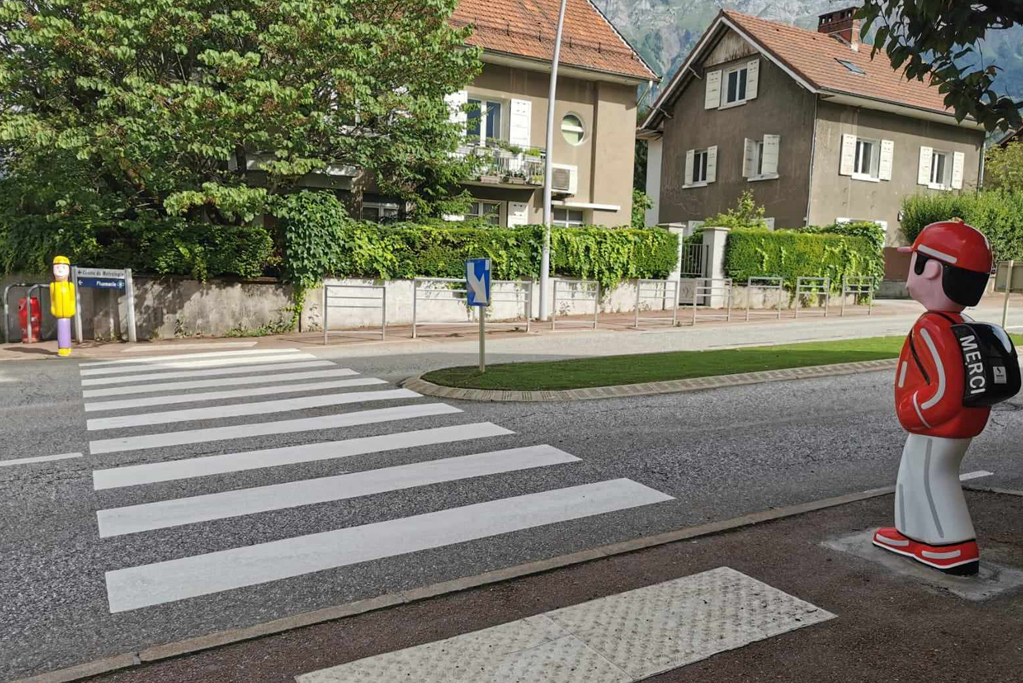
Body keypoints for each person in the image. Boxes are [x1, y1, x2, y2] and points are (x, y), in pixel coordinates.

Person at [873, 220, 1019, 575]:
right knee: (913, 473)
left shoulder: (932, 327)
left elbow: (946, 386)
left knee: (932, 476)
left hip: (935, 424)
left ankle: (953, 544)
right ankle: (912, 533)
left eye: (915, 260)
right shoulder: (958, 322)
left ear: (932, 269)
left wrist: (915, 411)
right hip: (954, 422)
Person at [49, 256, 76, 358]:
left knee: (66, 330)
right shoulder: (53, 286)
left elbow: (72, 299)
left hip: (68, 312)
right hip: (59, 313)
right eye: (57, 267)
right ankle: (63, 348)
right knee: (62, 330)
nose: (60, 270)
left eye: (63, 268)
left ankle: (67, 346)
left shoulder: (70, 286)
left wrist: (73, 308)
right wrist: (53, 308)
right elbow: (52, 299)